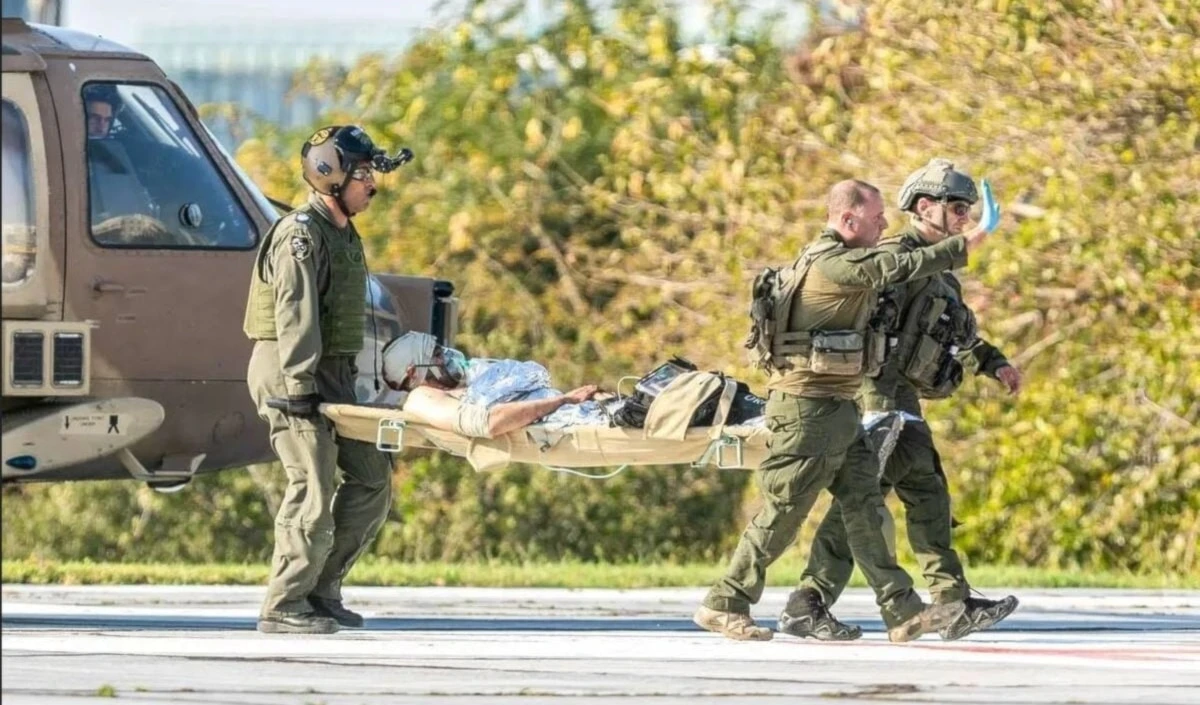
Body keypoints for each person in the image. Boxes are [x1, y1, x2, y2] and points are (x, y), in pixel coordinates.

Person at [694, 178, 1001, 643]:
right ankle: (725, 601)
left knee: (864, 505)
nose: (884, 224)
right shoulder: (834, 263)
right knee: (783, 513)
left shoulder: (843, 258)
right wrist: (968, 241)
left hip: (836, 406)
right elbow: (897, 267)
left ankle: (903, 612)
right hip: (805, 410)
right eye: (877, 217)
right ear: (847, 219)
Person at [790, 159, 1020, 642]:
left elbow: (957, 331)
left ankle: (951, 601)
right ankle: (808, 601)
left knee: (927, 492)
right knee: (864, 499)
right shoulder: (897, 259)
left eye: (966, 210)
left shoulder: (941, 277)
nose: (963, 217)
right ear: (924, 207)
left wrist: (994, 362)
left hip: (904, 395)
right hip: (876, 392)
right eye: (957, 208)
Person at [242, 125, 408, 634]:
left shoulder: (340, 231)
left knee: (372, 478)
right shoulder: (300, 235)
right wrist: (298, 390)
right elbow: (296, 315)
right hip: (292, 370)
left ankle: (321, 589)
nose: (372, 186)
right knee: (312, 486)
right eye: (363, 176)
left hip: (330, 375)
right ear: (329, 177)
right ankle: (284, 604)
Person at [379, 331, 602, 437]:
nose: (445, 357)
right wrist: (563, 400)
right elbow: (489, 422)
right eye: (436, 354)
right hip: (568, 420)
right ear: (412, 372)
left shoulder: (462, 383)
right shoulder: (421, 398)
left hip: (574, 411)